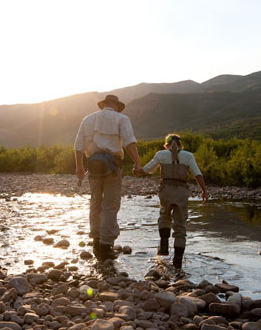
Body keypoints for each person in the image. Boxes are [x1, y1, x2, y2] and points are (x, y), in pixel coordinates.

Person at [74, 94, 141, 260]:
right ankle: (105, 246)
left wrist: (79, 167)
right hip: (113, 166)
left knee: (95, 202)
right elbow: (129, 143)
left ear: (104, 104)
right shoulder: (121, 118)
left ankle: (96, 241)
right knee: (110, 205)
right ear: (116, 105)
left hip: (93, 166)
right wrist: (138, 163)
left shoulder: (87, 119)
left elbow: (78, 146)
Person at [133, 134, 207, 269]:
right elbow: (197, 174)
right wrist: (204, 191)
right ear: (180, 144)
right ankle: (177, 263)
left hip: (166, 190)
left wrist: (137, 171)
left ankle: (164, 246)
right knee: (180, 225)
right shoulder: (188, 156)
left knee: (164, 216)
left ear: (166, 145)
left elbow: (147, 169)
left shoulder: (161, 154)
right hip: (181, 192)